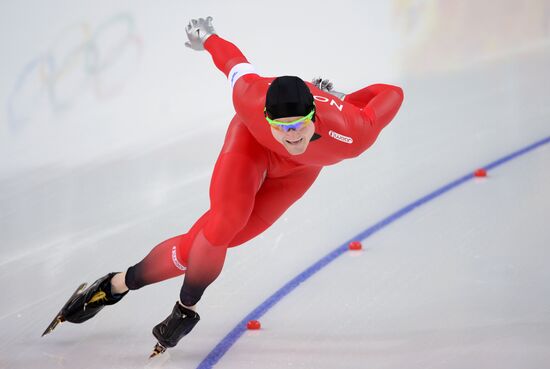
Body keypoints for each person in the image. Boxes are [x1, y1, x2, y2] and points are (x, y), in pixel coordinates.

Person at [43, 16, 404, 356]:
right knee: (224, 222)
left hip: (299, 174)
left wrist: (345, 97)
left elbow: (393, 92)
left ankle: (116, 284)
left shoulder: (352, 132)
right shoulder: (250, 97)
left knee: (200, 247)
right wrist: (207, 37)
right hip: (250, 147)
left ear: (315, 117)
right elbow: (233, 62)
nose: (290, 137)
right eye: (281, 126)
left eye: (299, 126)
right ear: (266, 117)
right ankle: (185, 310)